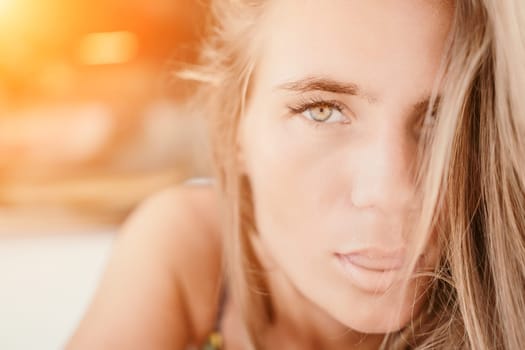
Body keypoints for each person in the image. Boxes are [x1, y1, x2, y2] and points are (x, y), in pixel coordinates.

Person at [67, 0, 525, 349]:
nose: (394, 193)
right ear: (234, 129)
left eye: (440, 120)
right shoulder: (192, 250)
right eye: (322, 111)